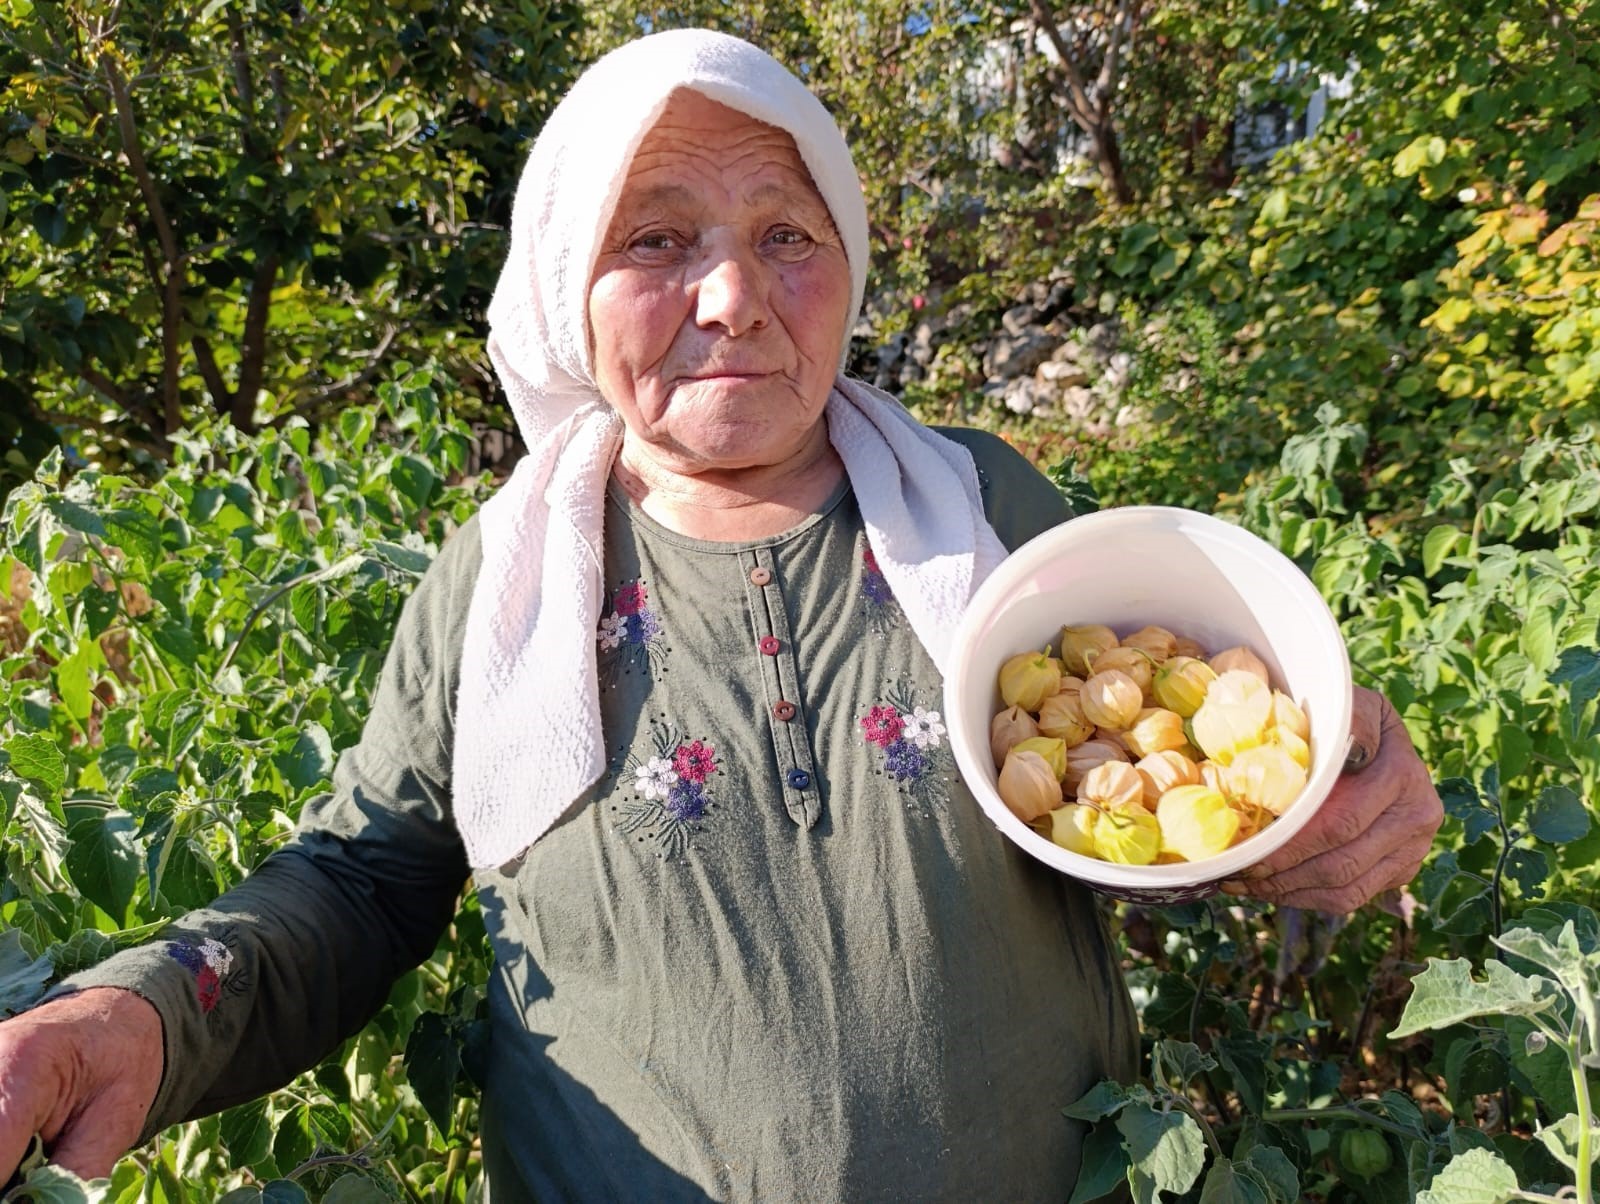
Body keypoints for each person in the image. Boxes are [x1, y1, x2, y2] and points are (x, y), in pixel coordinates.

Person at [0, 29, 1442, 1201]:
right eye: (656, 240)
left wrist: (1339, 780)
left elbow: (1194, 738)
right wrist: (136, 1011)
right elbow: (358, 886)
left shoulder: (988, 512)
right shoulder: (498, 589)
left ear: (850, 261)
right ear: (569, 287)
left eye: (786, 233)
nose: (737, 295)